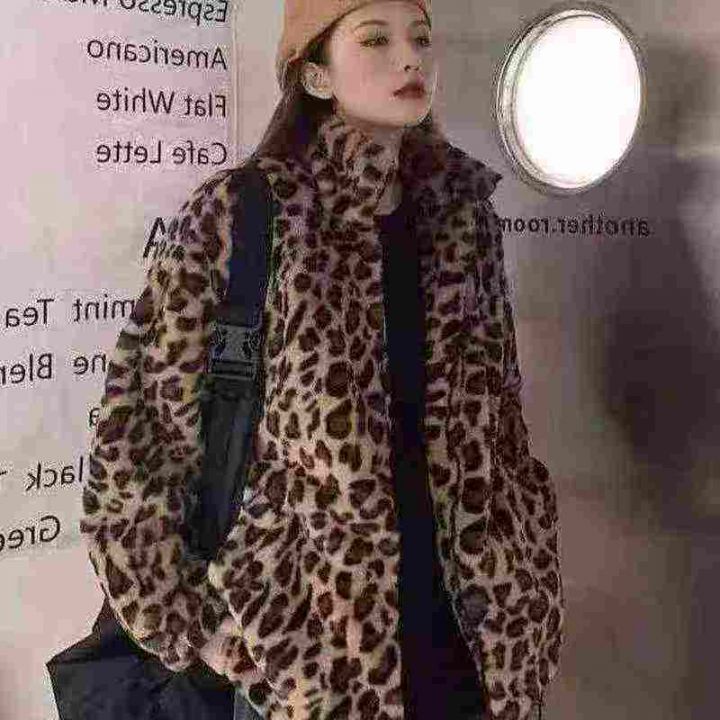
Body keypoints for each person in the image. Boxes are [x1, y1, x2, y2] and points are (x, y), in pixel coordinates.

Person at [79, 2, 566, 719]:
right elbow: (137, 436)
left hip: (470, 634)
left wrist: (526, 571)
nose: (410, 57)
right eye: (375, 40)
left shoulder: (464, 216)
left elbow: (502, 427)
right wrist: (203, 634)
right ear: (315, 75)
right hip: (308, 653)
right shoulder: (244, 214)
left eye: (420, 38)